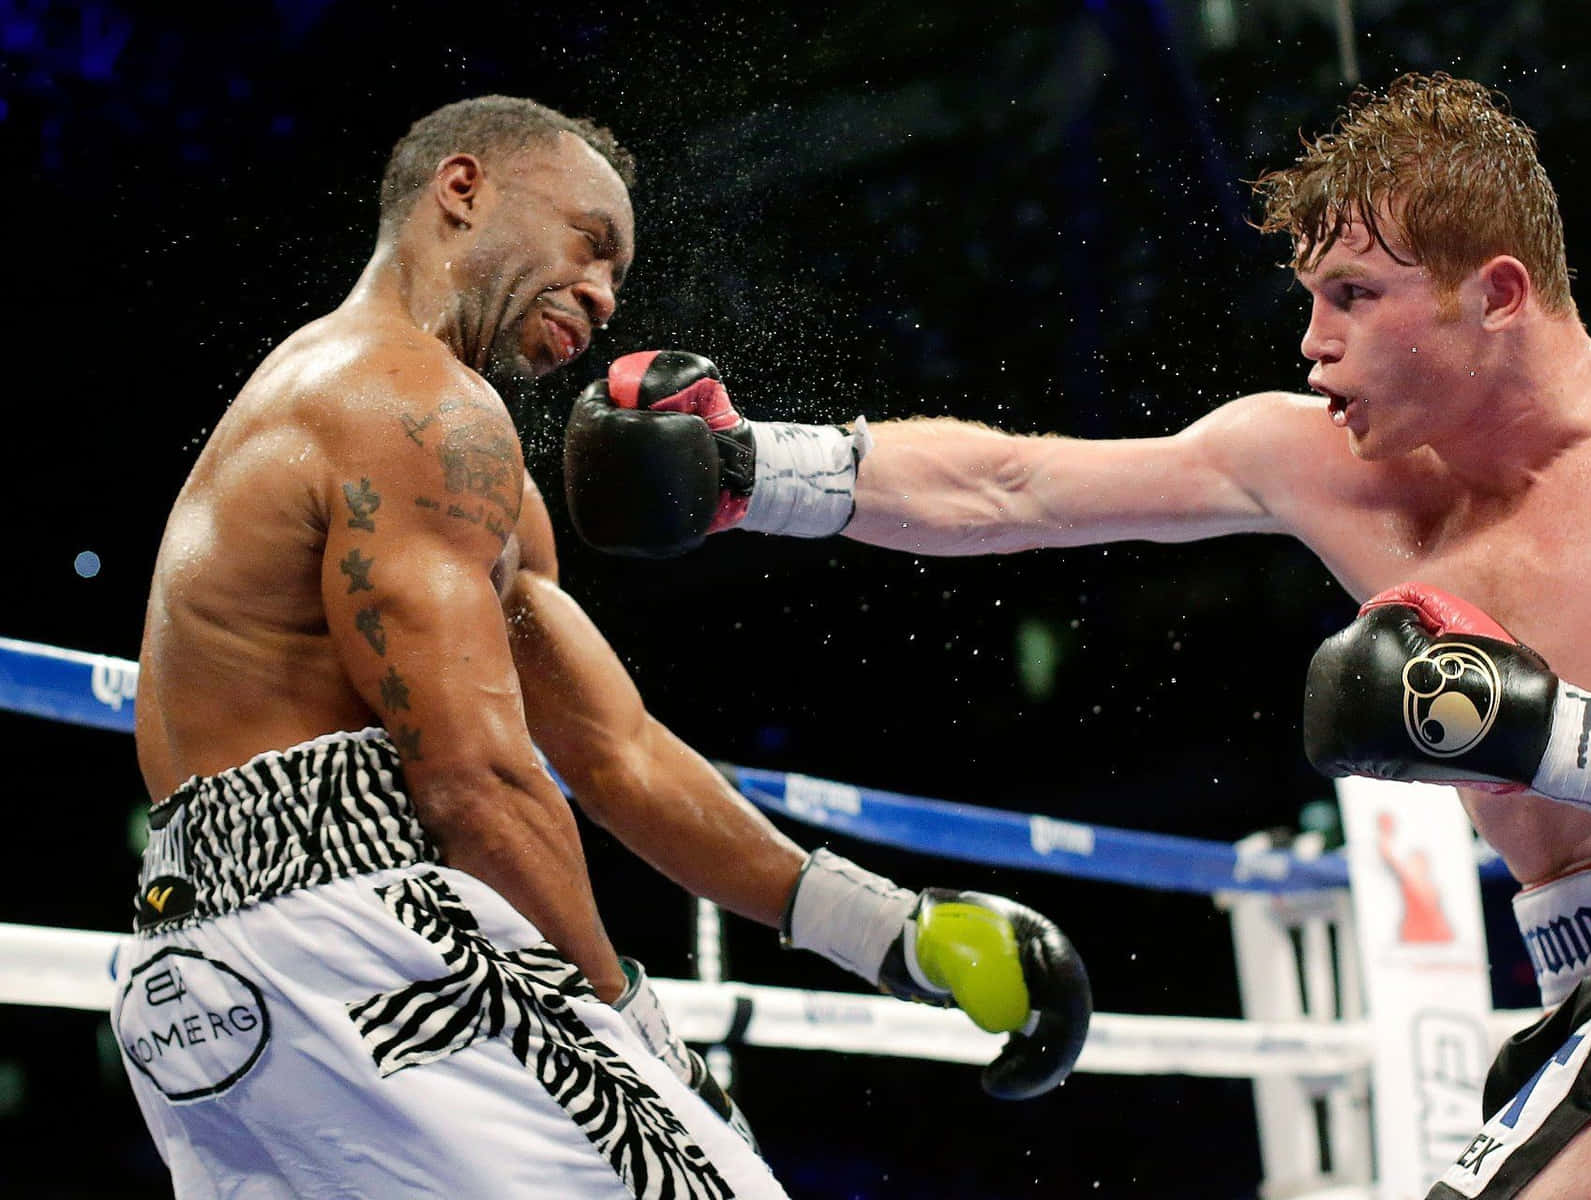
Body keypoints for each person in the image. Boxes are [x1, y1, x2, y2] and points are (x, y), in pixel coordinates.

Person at [573, 74, 1591, 1196]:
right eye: (1312, 297)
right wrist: (754, 474)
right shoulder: (1321, 462)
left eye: (1355, 298)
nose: (1312, 341)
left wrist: (1549, 731)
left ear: (1496, 294)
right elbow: (1017, 487)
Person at [111, 95, 1090, 1200]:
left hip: (188, 982)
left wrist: (889, 932)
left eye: (619, 274)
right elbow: (475, 781)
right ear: (463, 189)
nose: (605, 294)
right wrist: (626, 1022)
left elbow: (611, 748)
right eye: (591, 241)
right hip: (350, 929)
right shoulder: (405, 401)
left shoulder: (458, 463)